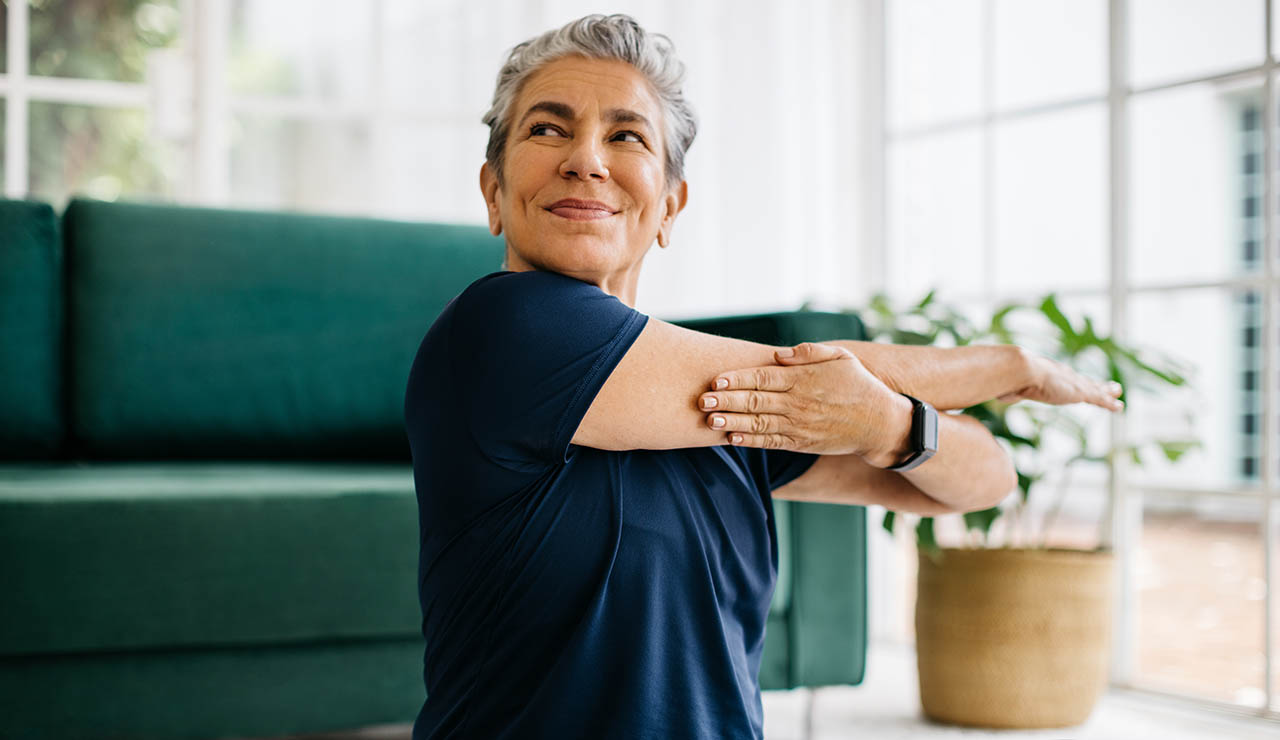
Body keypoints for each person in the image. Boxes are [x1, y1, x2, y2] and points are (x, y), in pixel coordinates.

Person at [402, 14, 1124, 740]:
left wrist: (893, 426)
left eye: (627, 136)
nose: (586, 159)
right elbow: (801, 377)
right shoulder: (499, 329)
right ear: (494, 191)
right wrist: (1008, 366)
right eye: (548, 130)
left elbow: (986, 481)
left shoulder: (725, 401)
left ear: (669, 207)